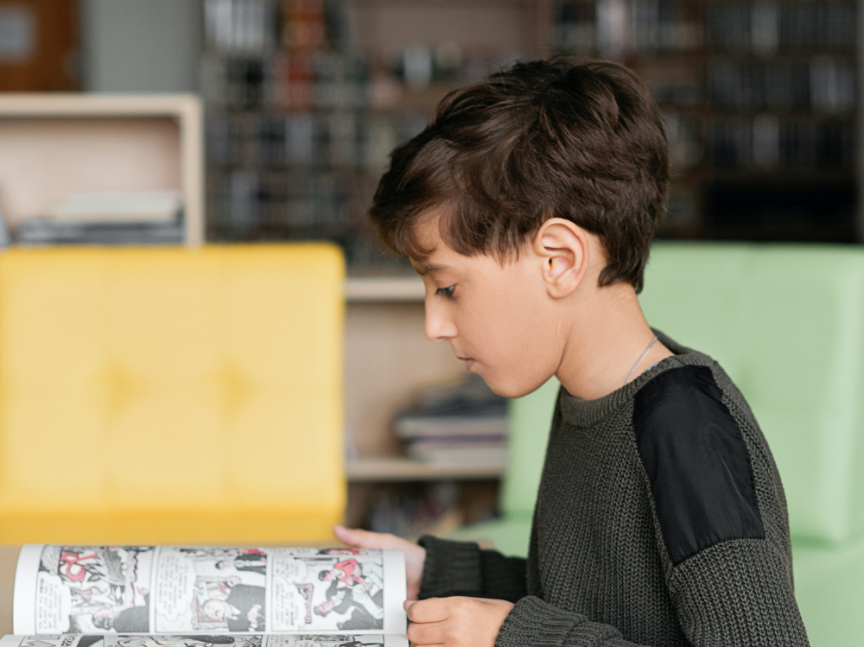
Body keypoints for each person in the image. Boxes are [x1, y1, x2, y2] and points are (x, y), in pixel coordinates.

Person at [334, 57, 810, 647]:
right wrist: (435, 575)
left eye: (449, 287)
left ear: (558, 260)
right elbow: (580, 601)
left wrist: (516, 638)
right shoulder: (587, 397)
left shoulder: (685, 427)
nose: (434, 323)